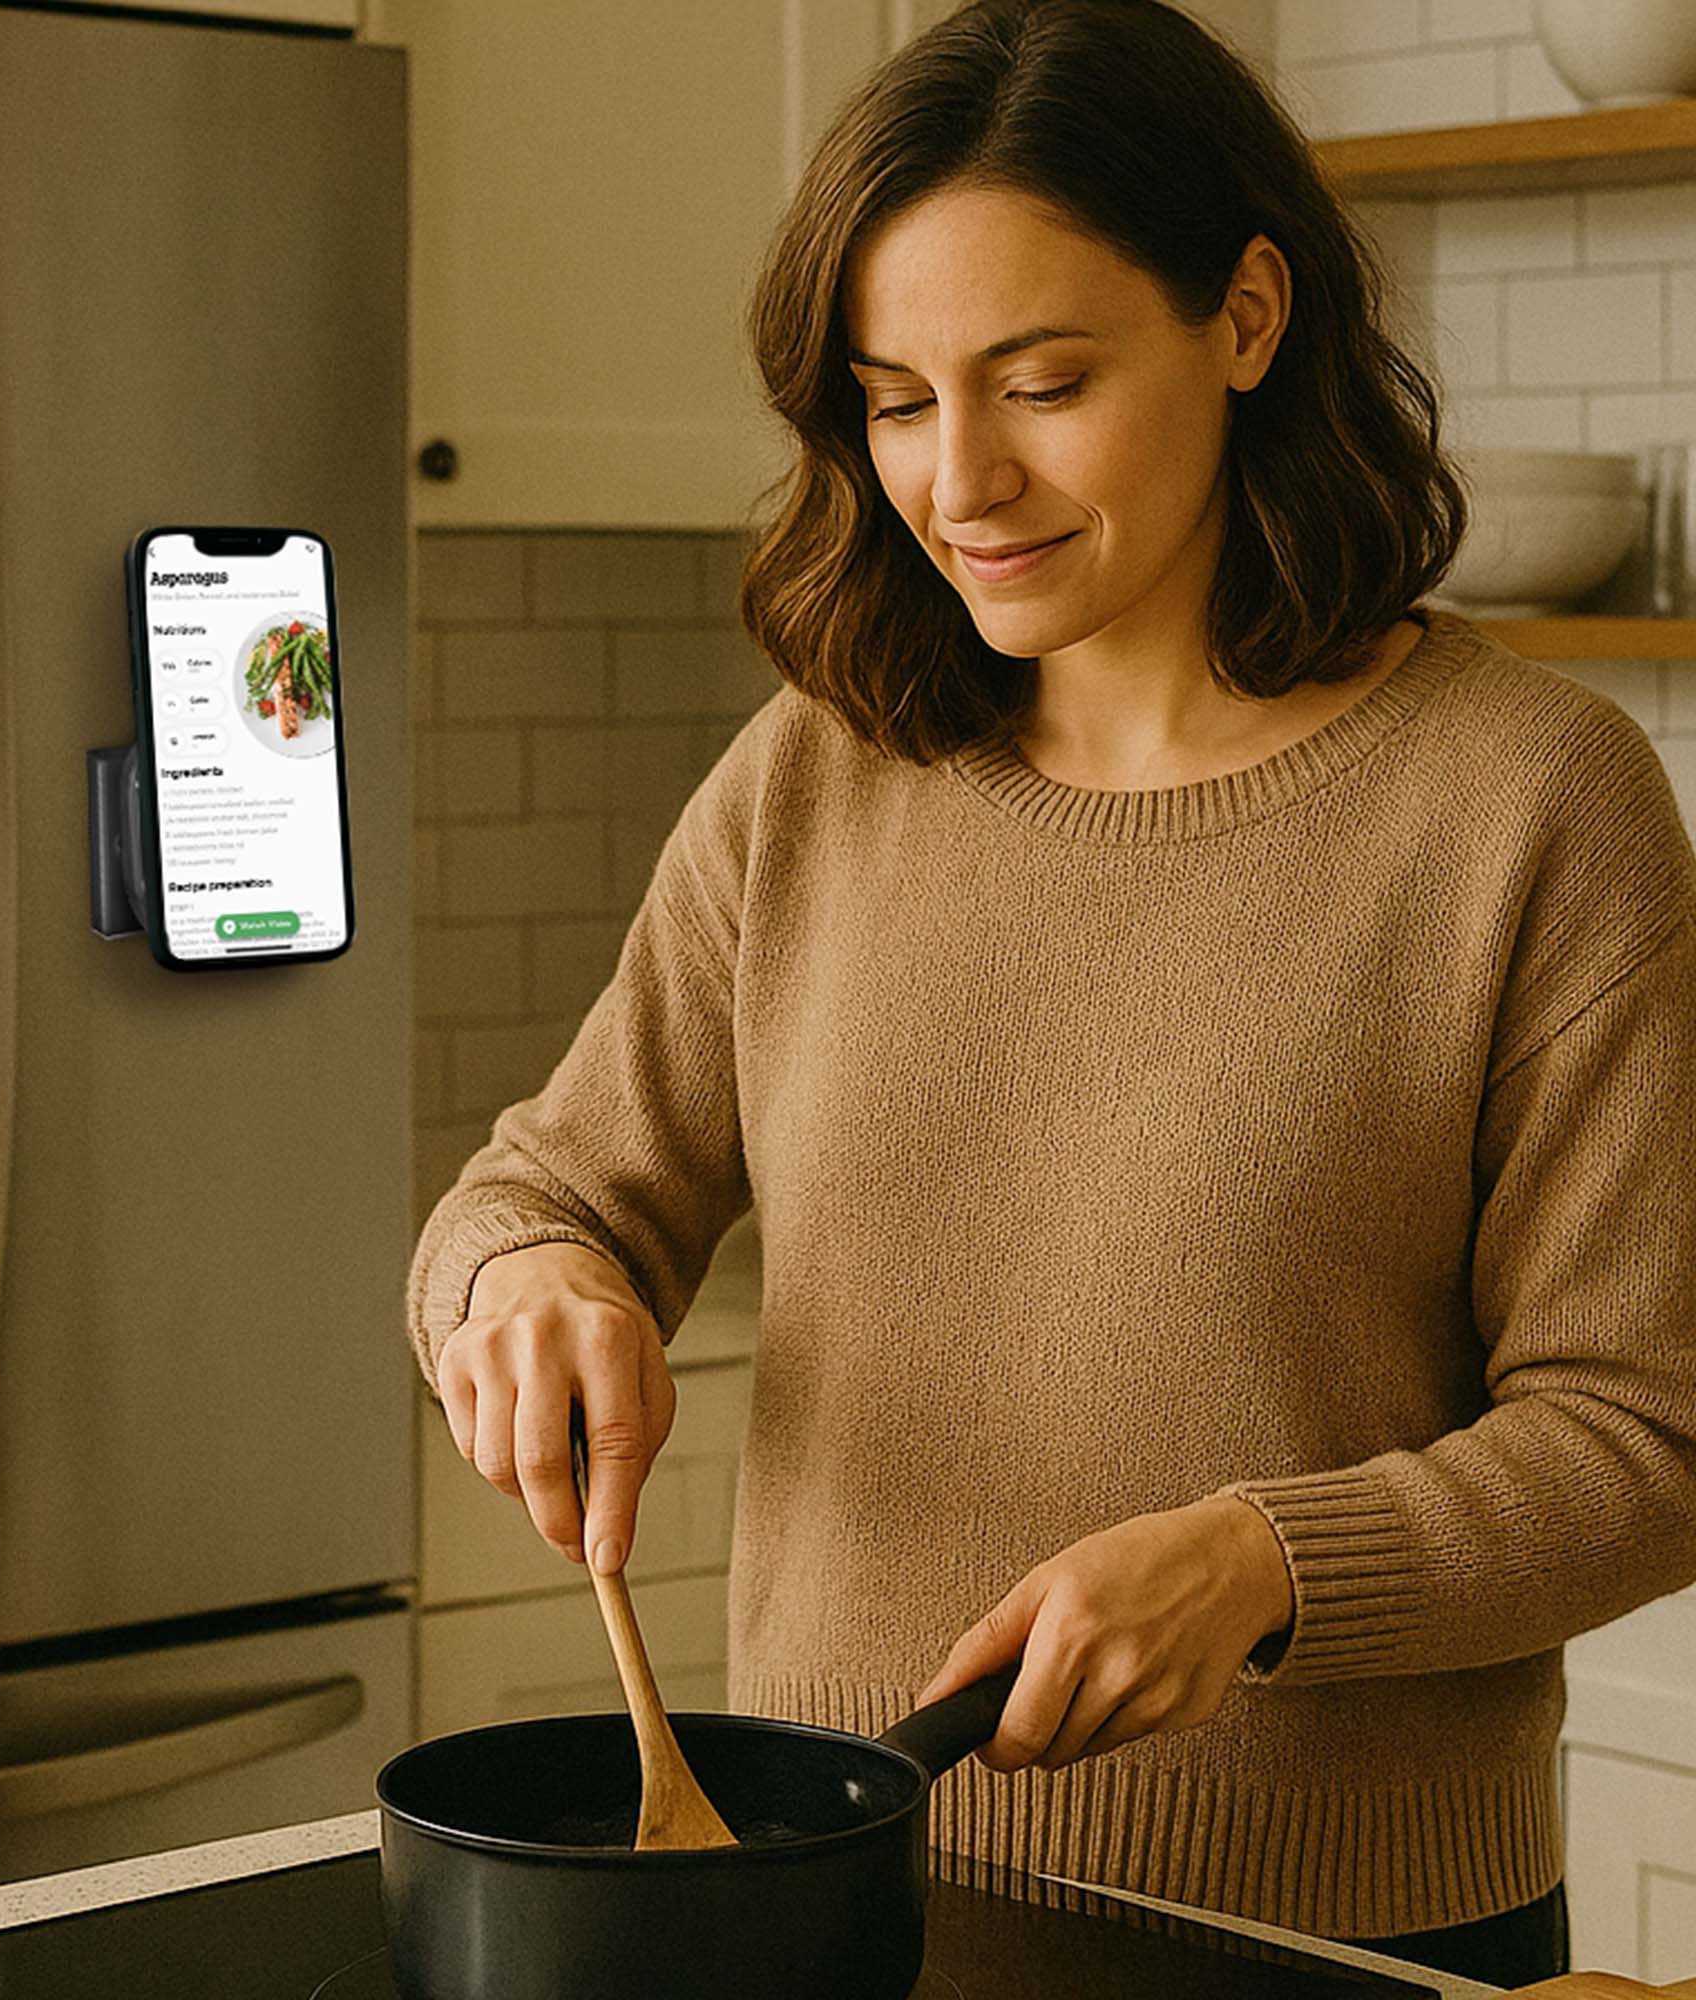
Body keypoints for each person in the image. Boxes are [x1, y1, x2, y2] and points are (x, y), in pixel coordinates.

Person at [403, 0, 1696, 1986]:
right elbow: (544, 1187)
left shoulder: (1531, 803)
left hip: (1341, 1943)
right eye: (894, 400)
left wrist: (1267, 1561)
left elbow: (1647, 1433)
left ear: (1246, 315)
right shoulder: (815, 774)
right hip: (847, 1913)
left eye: (1042, 380)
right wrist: (523, 1296)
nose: (959, 479)